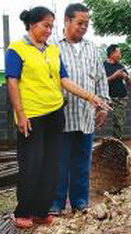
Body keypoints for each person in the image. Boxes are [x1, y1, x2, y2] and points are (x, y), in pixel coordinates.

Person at [5, 6, 110, 228]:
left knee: (51, 165)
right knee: (32, 163)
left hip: (56, 113)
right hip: (32, 115)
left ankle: (42, 211)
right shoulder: (17, 49)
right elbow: (12, 82)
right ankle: (23, 211)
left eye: (51, 26)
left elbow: (64, 80)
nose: (49, 30)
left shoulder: (52, 50)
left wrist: (91, 97)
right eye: (45, 25)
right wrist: (21, 114)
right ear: (32, 25)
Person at [48, 3, 110, 215]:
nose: (84, 27)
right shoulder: (52, 46)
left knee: (82, 163)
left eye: (86, 23)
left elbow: (100, 78)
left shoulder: (92, 47)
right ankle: (56, 204)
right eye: (79, 23)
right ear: (66, 21)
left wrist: (103, 106)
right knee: (59, 162)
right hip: (61, 116)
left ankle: (80, 202)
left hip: (86, 116)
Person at [104, 44, 131, 139]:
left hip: (120, 97)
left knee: (119, 122)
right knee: (101, 119)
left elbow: (130, 83)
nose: (120, 55)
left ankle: (117, 142)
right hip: (105, 97)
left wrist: (126, 77)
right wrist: (115, 76)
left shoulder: (120, 66)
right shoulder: (102, 66)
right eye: (119, 53)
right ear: (112, 54)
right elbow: (100, 82)